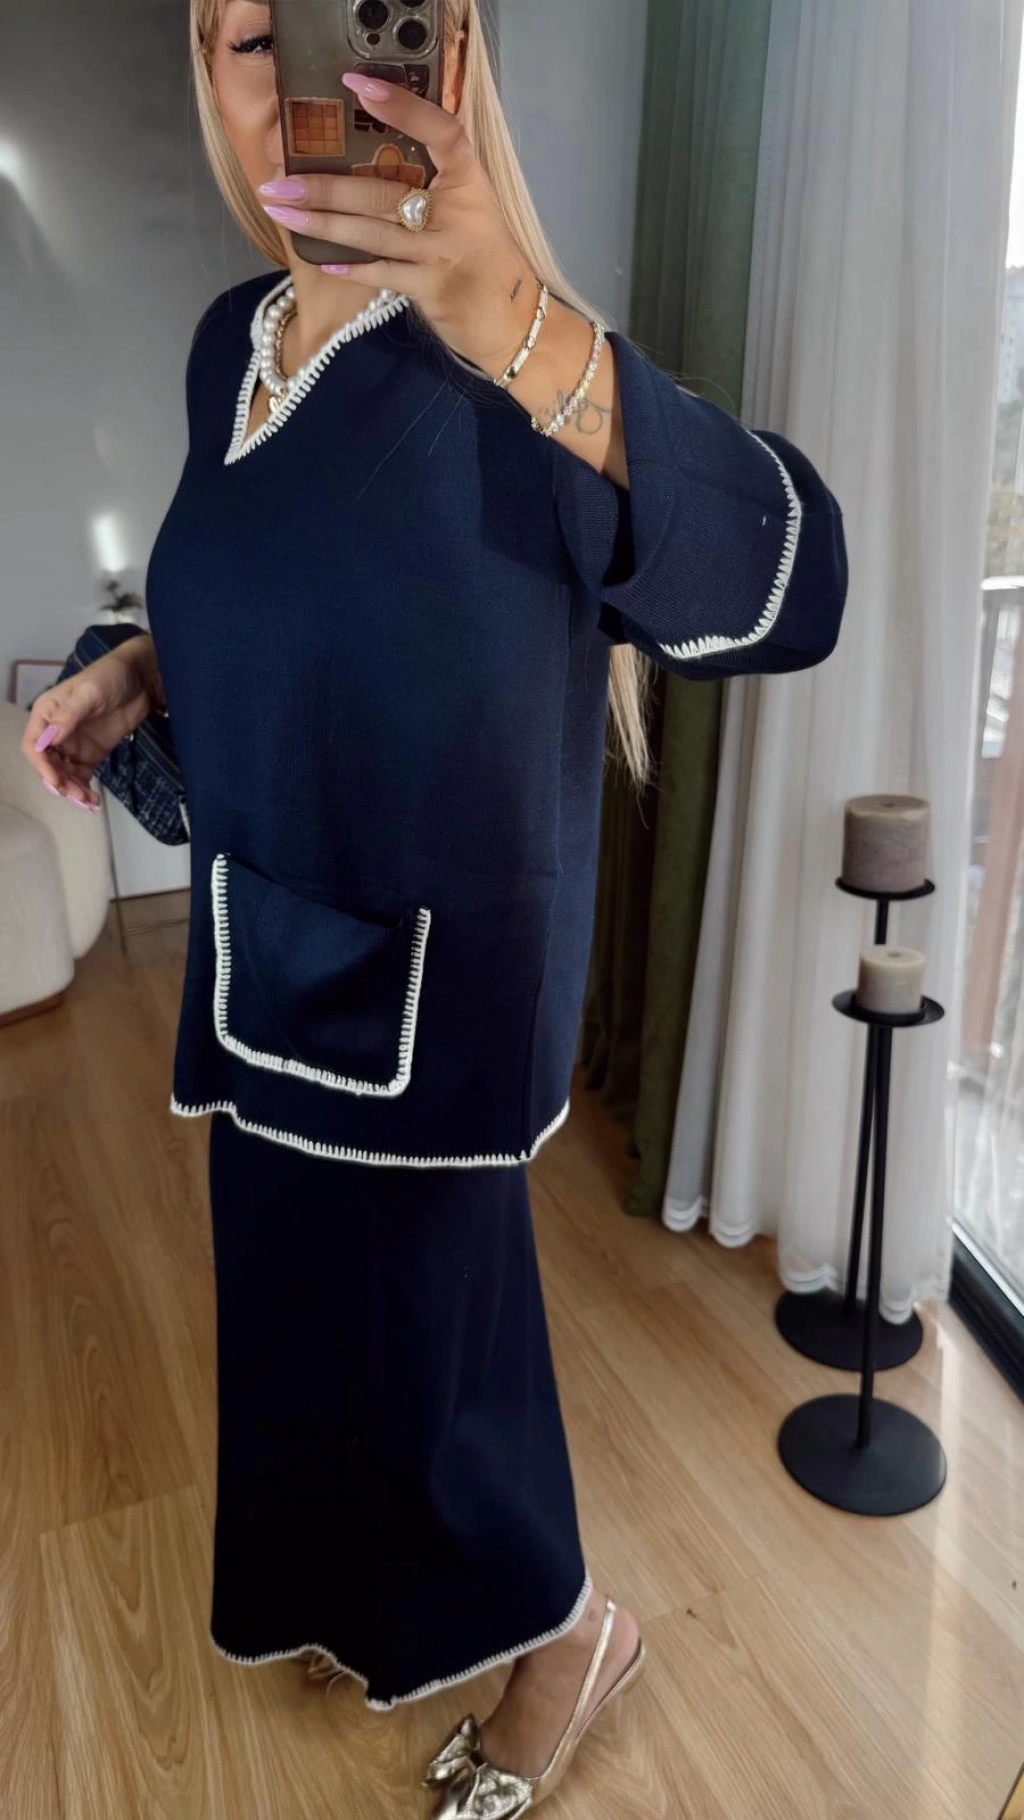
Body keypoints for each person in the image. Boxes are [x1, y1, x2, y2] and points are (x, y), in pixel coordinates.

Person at [20, 2, 849, 1813]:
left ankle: (569, 1635)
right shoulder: (229, 345)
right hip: (261, 963)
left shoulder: (516, 363)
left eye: (333, 22)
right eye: (247, 37)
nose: (290, 83)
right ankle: (360, 1598)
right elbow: (266, 594)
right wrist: (136, 673)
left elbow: (796, 590)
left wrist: (524, 327)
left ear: (444, 54)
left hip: (434, 998)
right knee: (299, 1336)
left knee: (443, 1375)